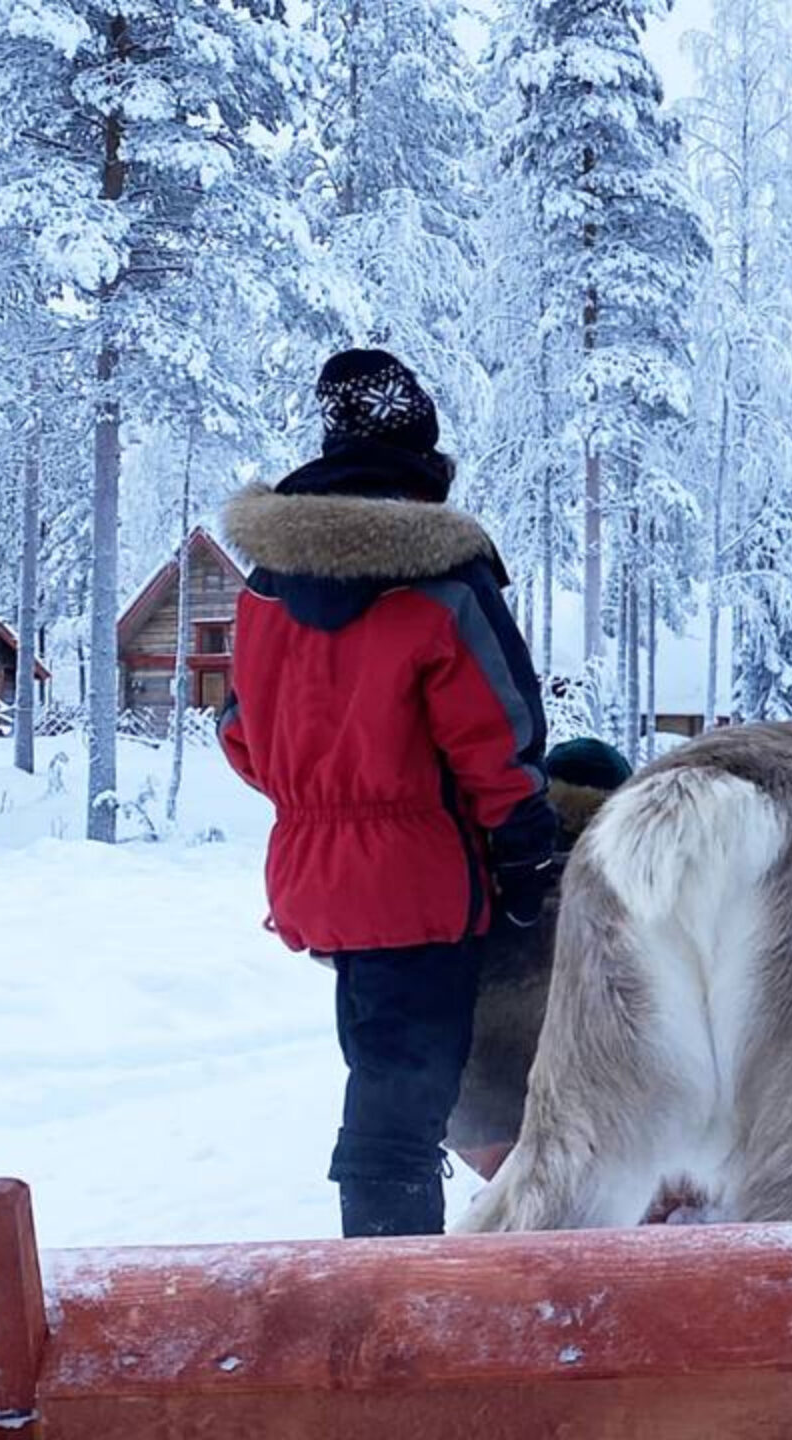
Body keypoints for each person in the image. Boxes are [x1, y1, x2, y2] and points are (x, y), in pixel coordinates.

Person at [219, 349, 557, 1239]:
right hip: (423, 884)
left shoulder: (265, 587)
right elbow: (499, 735)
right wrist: (526, 849)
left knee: (382, 1070)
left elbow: (239, 734)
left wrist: (325, 802)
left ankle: (394, 1270)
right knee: (401, 1114)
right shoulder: (441, 578)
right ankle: (395, 1304)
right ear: (423, 456)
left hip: (316, 881)